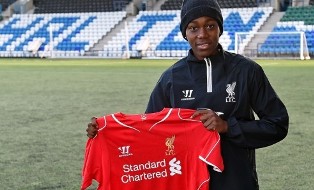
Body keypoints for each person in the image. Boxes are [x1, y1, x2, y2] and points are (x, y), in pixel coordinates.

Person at [86, 0, 289, 189]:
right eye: (193, 28)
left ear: (220, 29)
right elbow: (149, 134)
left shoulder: (247, 71)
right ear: (185, 33)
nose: (202, 34)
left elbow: (277, 124)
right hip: (185, 182)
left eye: (210, 26)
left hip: (237, 181)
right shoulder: (171, 79)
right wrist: (104, 132)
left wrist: (227, 126)